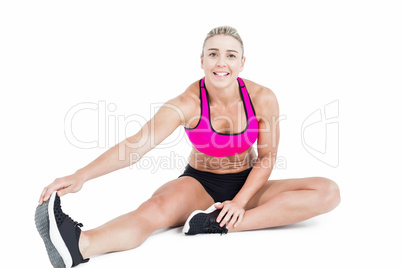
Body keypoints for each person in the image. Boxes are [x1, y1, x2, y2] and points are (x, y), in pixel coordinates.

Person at [35, 26, 341, 268]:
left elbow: (268, 156)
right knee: (152, 210)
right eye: (213, 54)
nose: (222, 63)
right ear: (202, 60)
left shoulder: (263, 97)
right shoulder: (187, 103)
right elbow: (136, 145)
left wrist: (240, 202)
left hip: (248, 182)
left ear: (242, 62)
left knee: (328, 192)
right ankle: (79, 245)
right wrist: (81, 175)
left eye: (231, 55)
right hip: (200, 184)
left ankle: (216, 225)